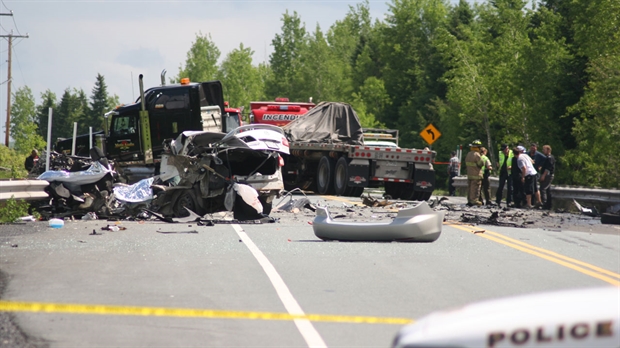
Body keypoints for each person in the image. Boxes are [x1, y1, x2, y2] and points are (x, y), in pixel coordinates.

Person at [465, 140, 485, 206]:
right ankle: (474, 200)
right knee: (475, 188)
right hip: (476, 175)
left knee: (470, 188)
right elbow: (481, 163)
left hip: (470, 174)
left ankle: (469, 200)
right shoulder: (477, 155)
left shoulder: (469, 154)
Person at [529, 143, 545, 207]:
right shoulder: (527, 154)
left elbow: (545, 159)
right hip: (529, 172)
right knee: (530, 187)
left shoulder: (538, 155)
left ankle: (539, 201)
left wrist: (540, 165)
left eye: (534, 148)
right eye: (532, 148)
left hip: (536, 172)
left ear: (536, 148)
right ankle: (532, 202)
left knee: (535, 186)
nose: (533, 149)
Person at [539, 145, 555, 210]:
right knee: (548, 190)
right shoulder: (548, 157)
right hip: (548, 175)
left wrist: (543, 175)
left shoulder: (549, 158)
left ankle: (545, 203)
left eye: (544, 149)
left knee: (543, 188)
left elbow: (548, 168)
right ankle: (549, 204)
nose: (543, 151)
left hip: (548, 175)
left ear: (548, 150)